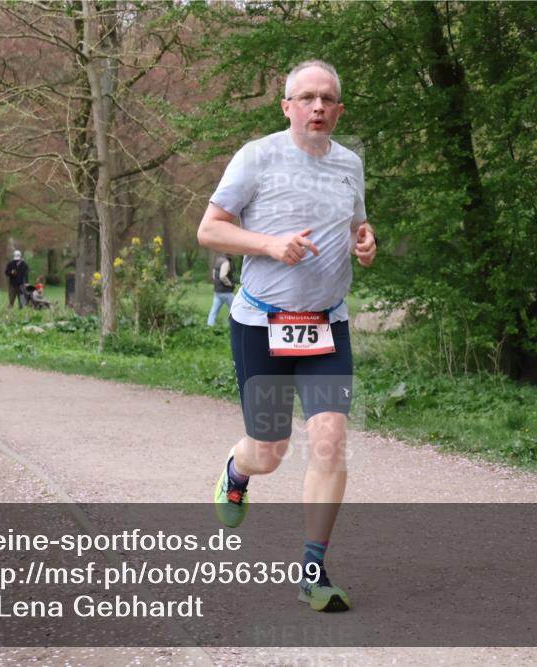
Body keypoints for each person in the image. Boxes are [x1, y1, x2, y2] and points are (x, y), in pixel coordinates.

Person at [197, 60, 377, 612]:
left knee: (328, 441)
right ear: (287, 107)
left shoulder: (349, 164)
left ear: (339, 110)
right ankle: (235, 469)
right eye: (307, 97)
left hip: (326, 323)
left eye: (327, 98)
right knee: (269, 452)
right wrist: (270, 245)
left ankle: (313, 570)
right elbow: (210, 229)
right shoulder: (257, 156)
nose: (317, 106)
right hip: (263, 324)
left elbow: (356, 226)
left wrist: (365, 242)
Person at [207, 253, 236, 327]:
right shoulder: (225, 262)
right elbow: (222, 276)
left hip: (217, 291)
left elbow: (214, 274)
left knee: (213, 311)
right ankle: (230, 325)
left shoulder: (218, 260)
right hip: (226, 291)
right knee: (235, 308)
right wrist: (230, 284)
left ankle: (209, 327)